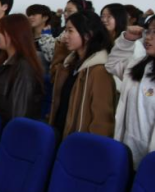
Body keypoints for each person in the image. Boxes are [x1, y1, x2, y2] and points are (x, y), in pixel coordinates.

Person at [107, 13, 155, 168]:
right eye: (148, 31)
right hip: (126, 157)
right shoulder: (138, 68)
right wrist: (127, 40)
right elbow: (112, 64)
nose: (148, 37)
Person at [49, 11, 115, 140]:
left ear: (88, 35)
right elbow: (53, 78)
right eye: (65, 31)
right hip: (60, 133)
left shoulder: (99, 70)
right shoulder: (71, 63)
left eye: (70, 31)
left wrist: (89, 146)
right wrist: (61, 49)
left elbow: (102, 120)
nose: (65, 36)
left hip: (79, 141)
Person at [0, 14, 45, 122]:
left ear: (14, 34)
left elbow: (18, 112)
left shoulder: (23, 67)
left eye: (1, 31)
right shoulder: (3, 61)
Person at [26, 4, 56, 72]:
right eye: (29, 15)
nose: (30, 17)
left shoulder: (52, 38)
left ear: (45, 17)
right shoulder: (26, 37)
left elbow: (52, 58)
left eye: (34, 15)